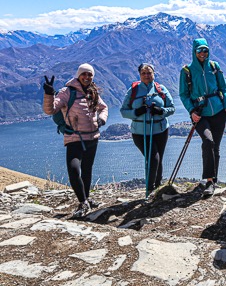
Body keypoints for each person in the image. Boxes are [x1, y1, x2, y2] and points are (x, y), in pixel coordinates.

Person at [42, 63, 108, 218]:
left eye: (90, 75)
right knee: (73, 170)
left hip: (93, 137)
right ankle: (82, 201)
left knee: (87, 169)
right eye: (84, 74)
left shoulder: (92, 92)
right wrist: (49, 94)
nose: (87, 77)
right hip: (74, 138)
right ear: (78, 75)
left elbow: (103, 108)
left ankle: (87, 197)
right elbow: (50, 110)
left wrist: (102, 120)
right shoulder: (67, 92)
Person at [179, 38, 226, 198]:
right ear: (194, 52)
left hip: (219, 111)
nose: (203, 53)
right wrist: (191, 110)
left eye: (205, 50)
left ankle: (213, 180)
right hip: (200, 113)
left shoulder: (214, 67)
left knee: (216, 146)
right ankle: (209, 181)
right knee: (208, 142)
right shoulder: (187, 71)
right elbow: (183, 94)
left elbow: (223, 87)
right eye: (200, 50)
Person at [120, 63, 175, 196]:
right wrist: (136, 112)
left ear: (154, 73)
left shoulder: (160, 89)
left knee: (158, 158)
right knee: (153, 158)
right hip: (140, 132)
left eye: (149, 73)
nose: (147, 76)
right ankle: (150, 189)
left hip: (160, 130)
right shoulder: (133, 90)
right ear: (139, 75)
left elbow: (172, 108)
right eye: (143, 73)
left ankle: (157, 187)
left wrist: (161, 111)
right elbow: (123, 111)